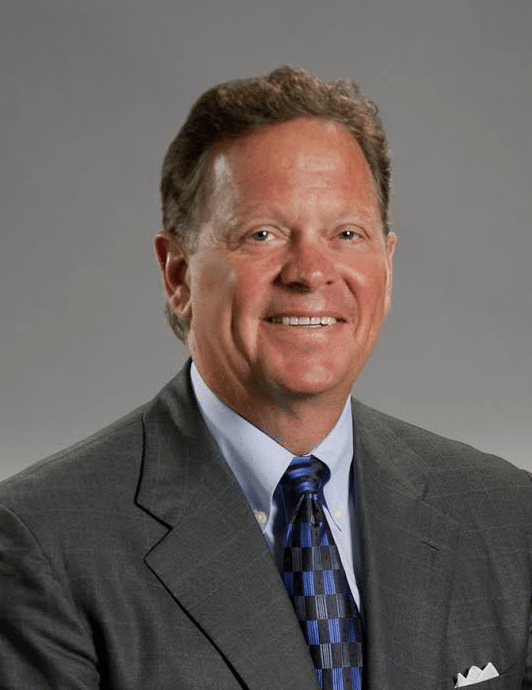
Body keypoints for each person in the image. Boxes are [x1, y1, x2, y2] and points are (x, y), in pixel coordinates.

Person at [0, 66, 531, 690]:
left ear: (386, 269)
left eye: (346, 233)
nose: (310, 271)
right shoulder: (44, 543)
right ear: (178, 275)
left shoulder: (507, 514)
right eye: (263, 234)